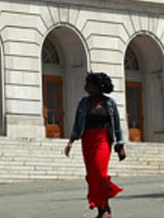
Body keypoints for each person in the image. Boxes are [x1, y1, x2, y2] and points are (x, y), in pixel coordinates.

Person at [64, 72, 126, 218]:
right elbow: (78, 123)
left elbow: (116, 125)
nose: (88, 88)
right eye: (87, 86)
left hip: (103, 138)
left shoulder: (109, 103)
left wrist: (120, 144)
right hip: (88, 140)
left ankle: (104, 205)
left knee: (100, 172)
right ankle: (102, 209)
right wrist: (71, 141)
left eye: (91, 86)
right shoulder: (83, 103)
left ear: (99, 87)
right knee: (92, 176)